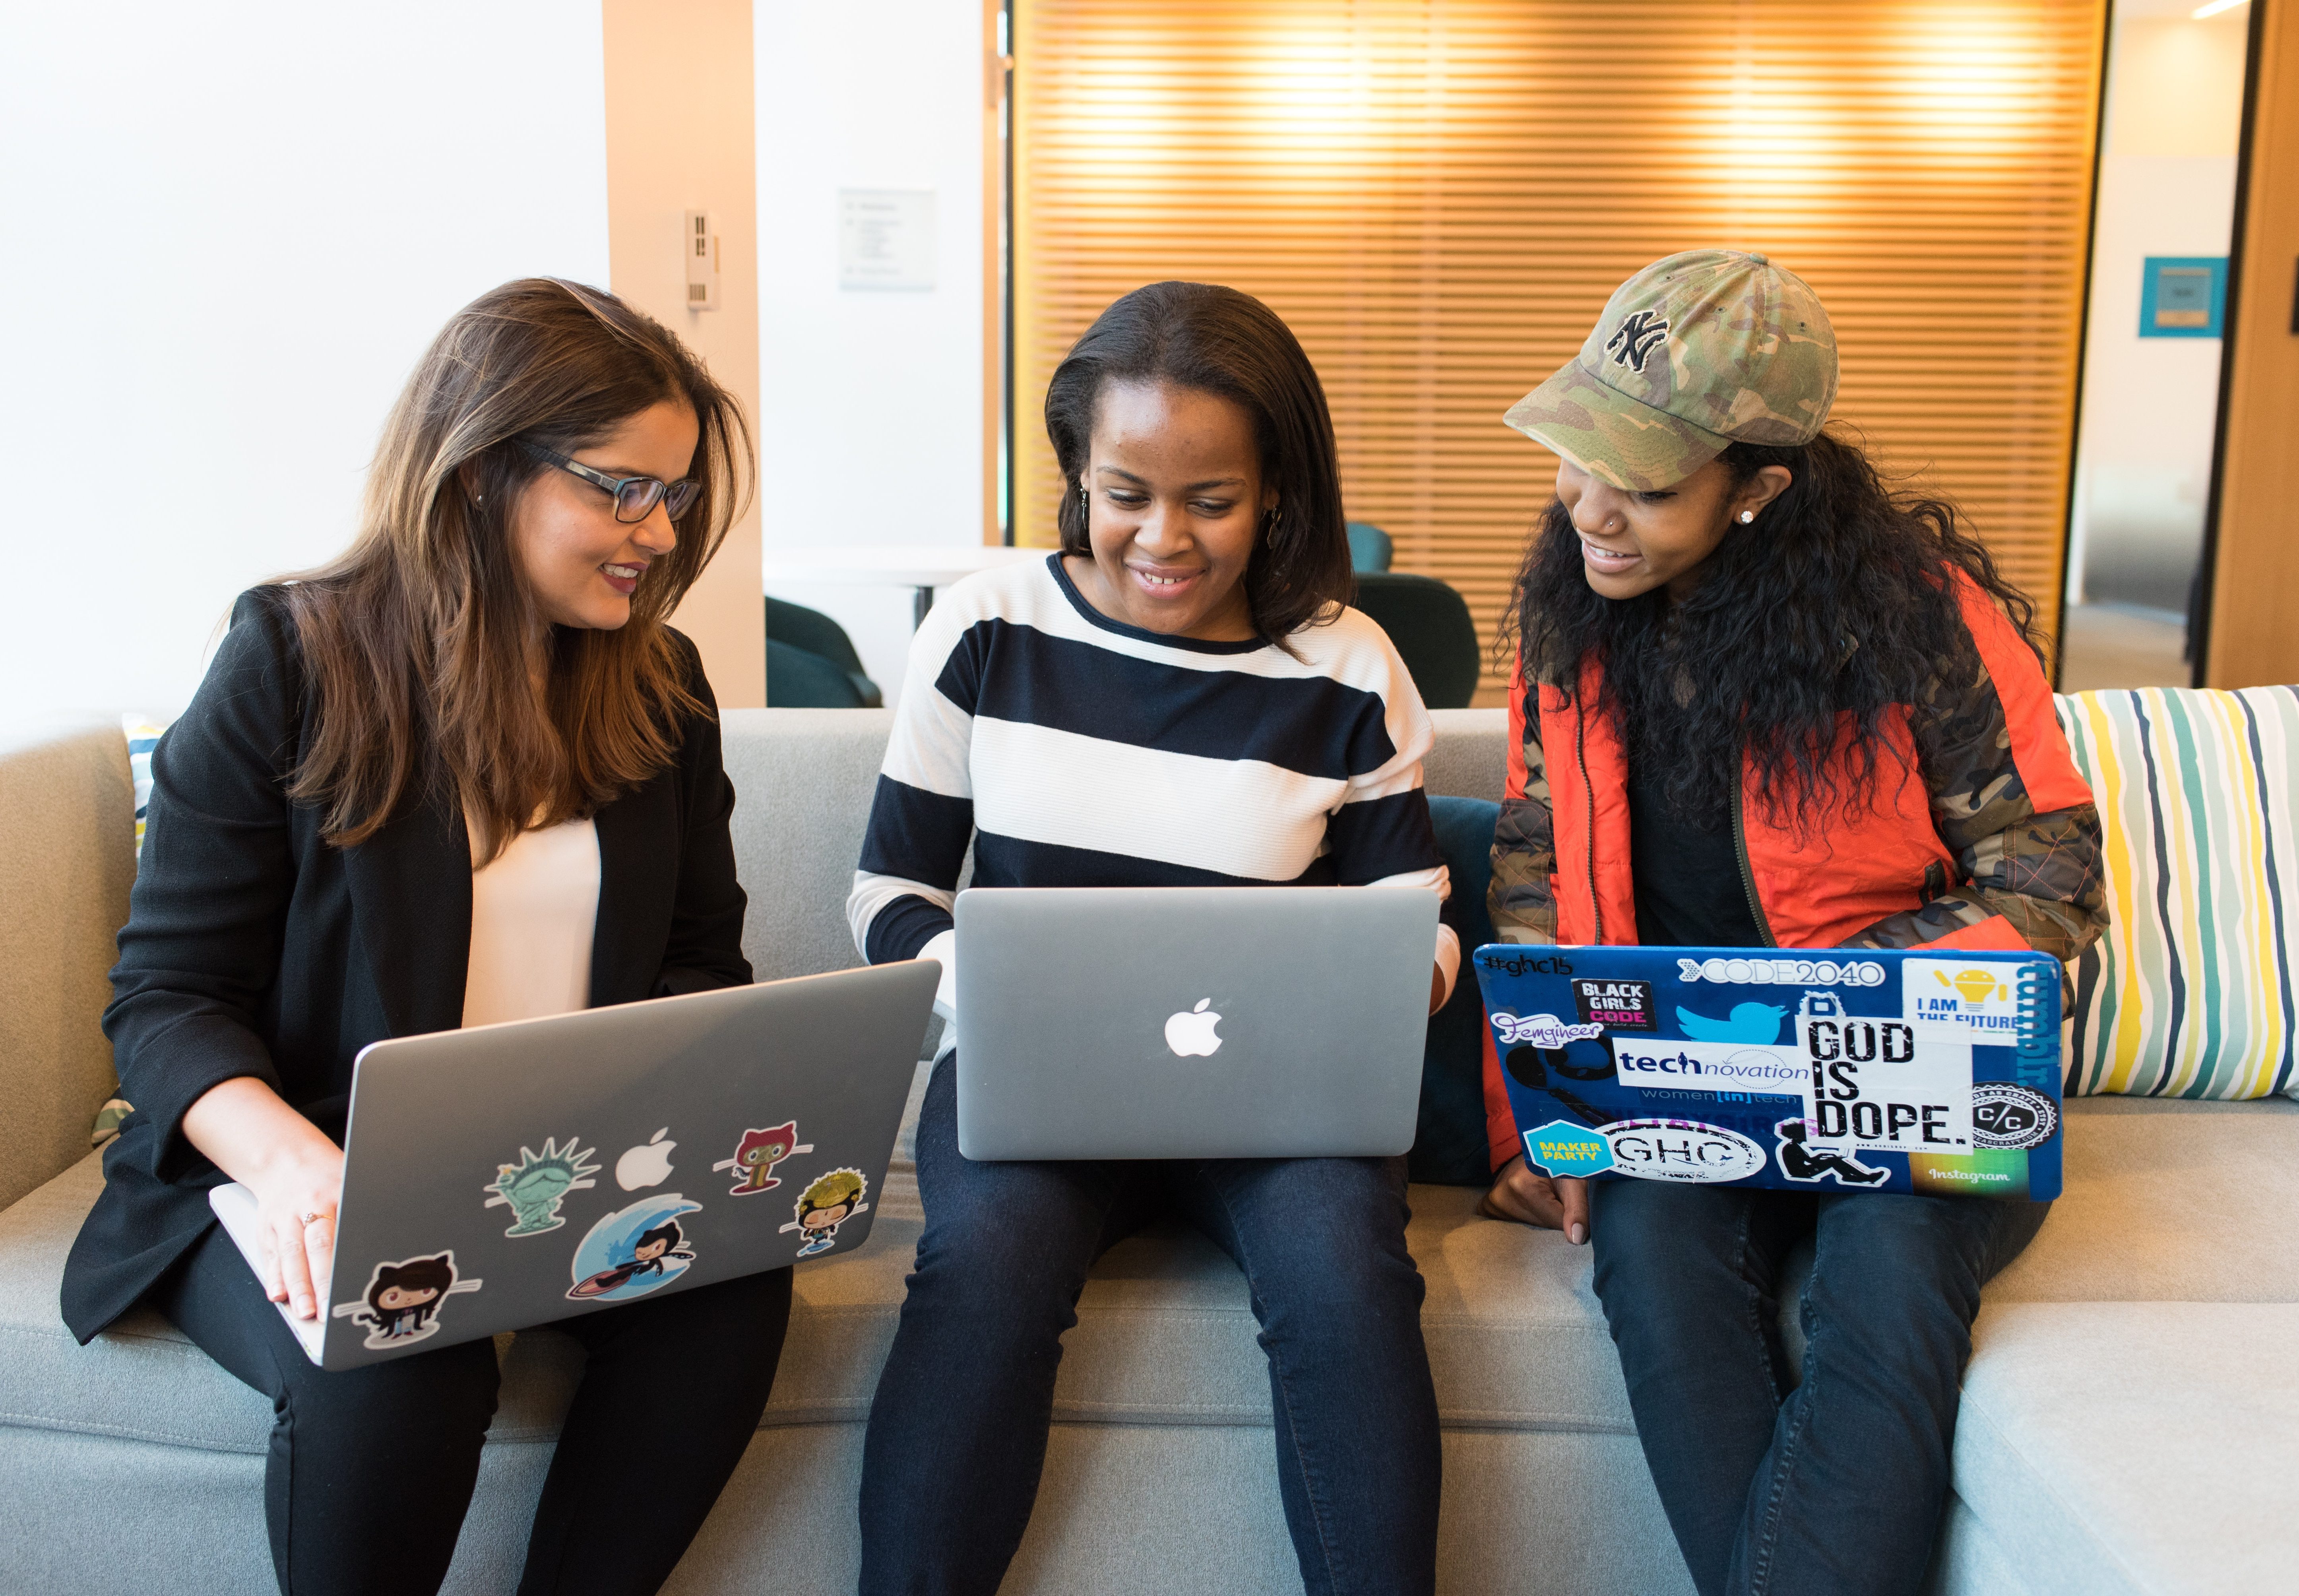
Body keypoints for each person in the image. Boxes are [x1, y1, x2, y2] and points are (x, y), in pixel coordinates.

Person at [62, 278, 785, 1596]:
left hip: (564, 1175)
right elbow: (165, 998)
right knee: (411, 1346)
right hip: (297, 1176)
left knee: (727, 1305)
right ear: (478, 471)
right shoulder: (290, 658)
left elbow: (700, 967)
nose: (657, 531)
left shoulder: (661, 685)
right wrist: (296, 1170)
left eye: (676, 496)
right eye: (621, 488)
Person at [1478, 250, 2107, 1596]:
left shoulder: (1923, 623)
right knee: (1650, 1260)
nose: (1590, 507)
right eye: (1578, 455)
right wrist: (1547, 1122)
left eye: (1643, 484)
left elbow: (2047, 874)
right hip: (1685, 1084)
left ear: (1759, 489)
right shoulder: (1568, 625)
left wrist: (1830, 1000)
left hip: (1922, 1080)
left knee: (1883, 1284)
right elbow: (1534, 870)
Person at [848, 280, 1454, 1596]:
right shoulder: (989, 625)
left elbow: (1416, 914)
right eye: (1126, 492)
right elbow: (890, 890)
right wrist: (988, 990)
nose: (1162, 539)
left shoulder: (1347, 668)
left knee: (1348, 1279)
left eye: (1212, 502)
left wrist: (1400, 975)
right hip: (1033, 1084)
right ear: (1078, 473)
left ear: (1280, 488)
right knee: (982, 1269)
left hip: (1281, 1099)